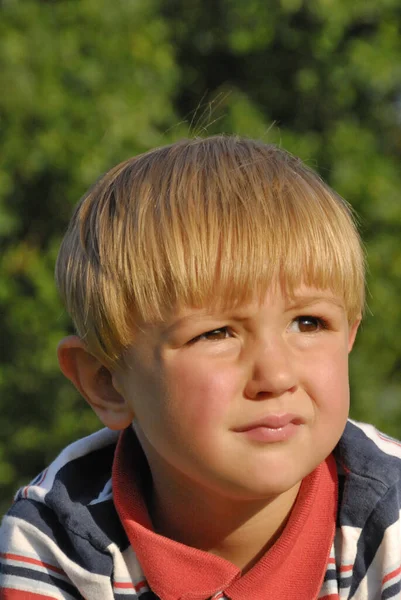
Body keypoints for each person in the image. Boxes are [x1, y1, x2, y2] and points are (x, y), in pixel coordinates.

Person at [1, 136, 400, 600]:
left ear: (350, 335)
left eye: (308, 322)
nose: (276, 376)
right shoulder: (61, 538)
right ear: (106, 382)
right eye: (216, 333)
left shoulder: (388, 521)